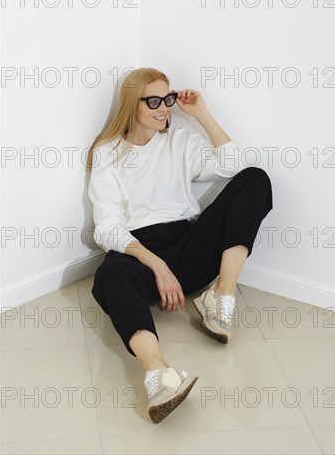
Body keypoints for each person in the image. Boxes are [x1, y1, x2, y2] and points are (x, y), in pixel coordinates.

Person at [86, 67, 273, 424]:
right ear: (132, 104)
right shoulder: (108, 152)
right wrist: (157, 265)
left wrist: (202, 114)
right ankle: (159, 373)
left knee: (255, 179)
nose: (164, 108)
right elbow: (108, 226)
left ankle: (221, 295)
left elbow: (231, 165)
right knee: (108, 275)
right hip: (140, 251)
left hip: (186, 242)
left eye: (167, 99)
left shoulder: (179, 139)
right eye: (154, 101)